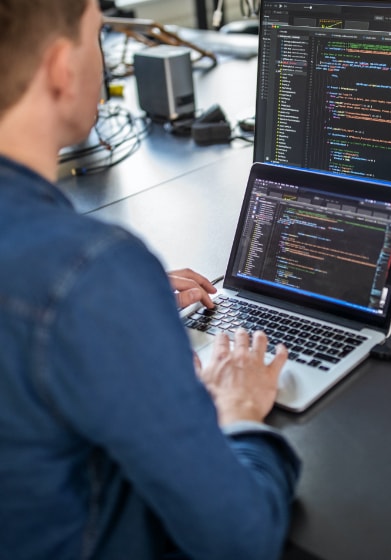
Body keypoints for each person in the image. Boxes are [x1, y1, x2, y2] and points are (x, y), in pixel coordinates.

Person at [0, 1, 300, 559]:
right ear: (63, 68)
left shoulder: (80, 281)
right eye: (100, 36)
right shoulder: (89, 274)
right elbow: (241, 538)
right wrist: (236, 412)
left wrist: (113, 311)